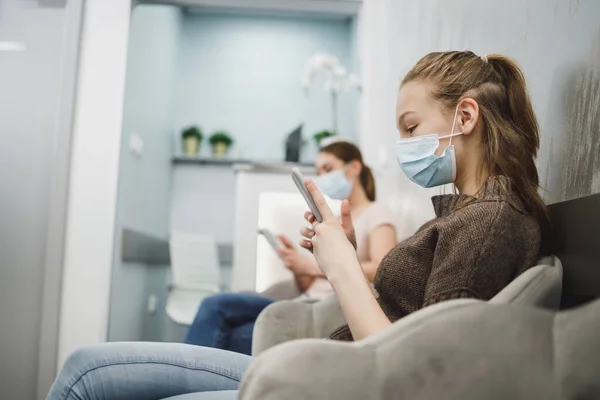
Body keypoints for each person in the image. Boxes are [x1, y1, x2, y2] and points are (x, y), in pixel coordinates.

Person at [47, 51, 550, 400]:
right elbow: (407, 325)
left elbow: (416, 372)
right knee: (89, 371)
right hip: (321, 368)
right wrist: (343, 258)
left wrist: (343, 266)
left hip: (329, 382)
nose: (402, 146)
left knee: (89, 374)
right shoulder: (469, 215)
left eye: (411, 127)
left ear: (465, 115)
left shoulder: (490, 223)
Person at [184, 141, 397, 355]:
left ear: (354, 168)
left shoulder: (377, 213)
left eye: (328, 169)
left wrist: (309, 266)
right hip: (304, 300)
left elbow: (382, 269)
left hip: (320, 308)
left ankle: (188, 374)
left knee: (216, 306)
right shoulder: (341, 218)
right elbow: (312, 282)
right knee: (236, 330)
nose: (323, 176)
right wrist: (298, 267)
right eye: (319, 171)